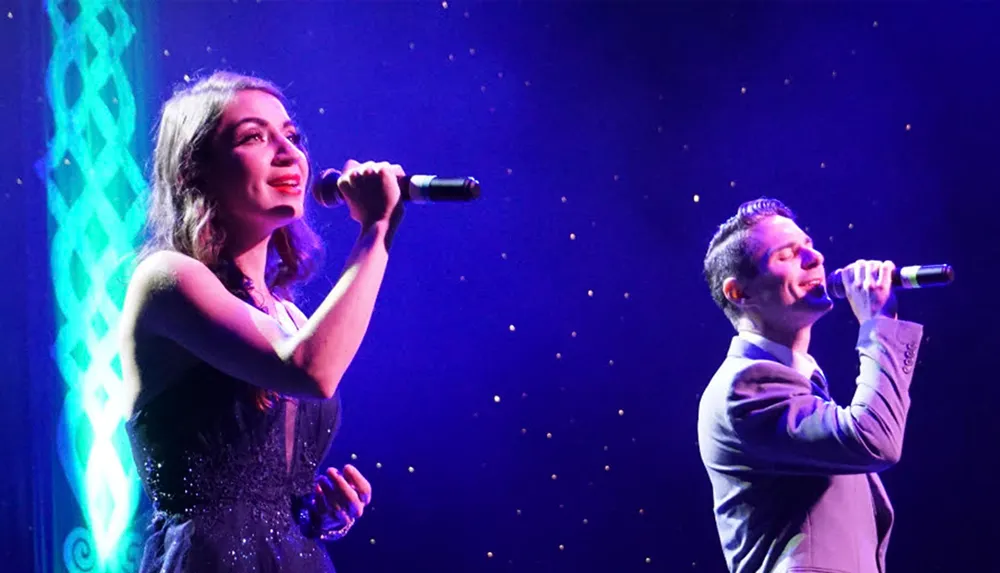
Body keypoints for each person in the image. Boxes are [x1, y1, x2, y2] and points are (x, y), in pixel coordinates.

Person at [120, 71, 404, 572]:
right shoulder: (166, 279)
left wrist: (315, 514)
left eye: (291, 137)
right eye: (254, 136)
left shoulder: (290, 315)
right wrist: (375, 230)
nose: (288, 152)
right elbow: (312, 371)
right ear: (193, 169)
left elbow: (270, 500)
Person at [697, 198, 924, 573]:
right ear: (741, 293)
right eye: (787, 255)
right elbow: (873, 440)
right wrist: (878, 325)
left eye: (809, 245)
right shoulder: (743, 387)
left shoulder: (803, 386)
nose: (815, 258)